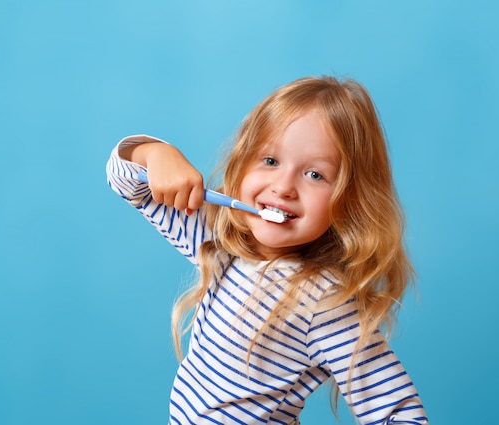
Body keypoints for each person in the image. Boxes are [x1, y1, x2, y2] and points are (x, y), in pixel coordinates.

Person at [106, 76, 428, 424]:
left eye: (315, 175)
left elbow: (399, 413)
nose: (284, 186)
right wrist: (157, 154)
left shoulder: (325, 302)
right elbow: (126, 182)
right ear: (243, 163)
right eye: (270, 161)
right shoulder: (219, 242)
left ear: (348, 202)